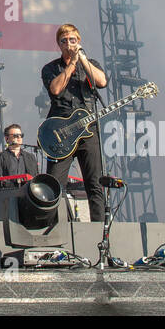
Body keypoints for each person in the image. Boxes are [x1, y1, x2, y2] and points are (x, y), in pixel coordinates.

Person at [41, 23, 108, 222]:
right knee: (54, 184)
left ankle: (100, 232)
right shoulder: (51, 68)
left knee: (94, 183)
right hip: (61, 132)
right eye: (64, 41)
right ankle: (54, 227)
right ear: (58, 44)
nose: (69, 44)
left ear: (79, 41)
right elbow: (55, 90)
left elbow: (102, 82)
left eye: (73, 40)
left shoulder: (90, 63)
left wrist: (82, 60)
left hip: (88, 131)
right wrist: (71, 65)